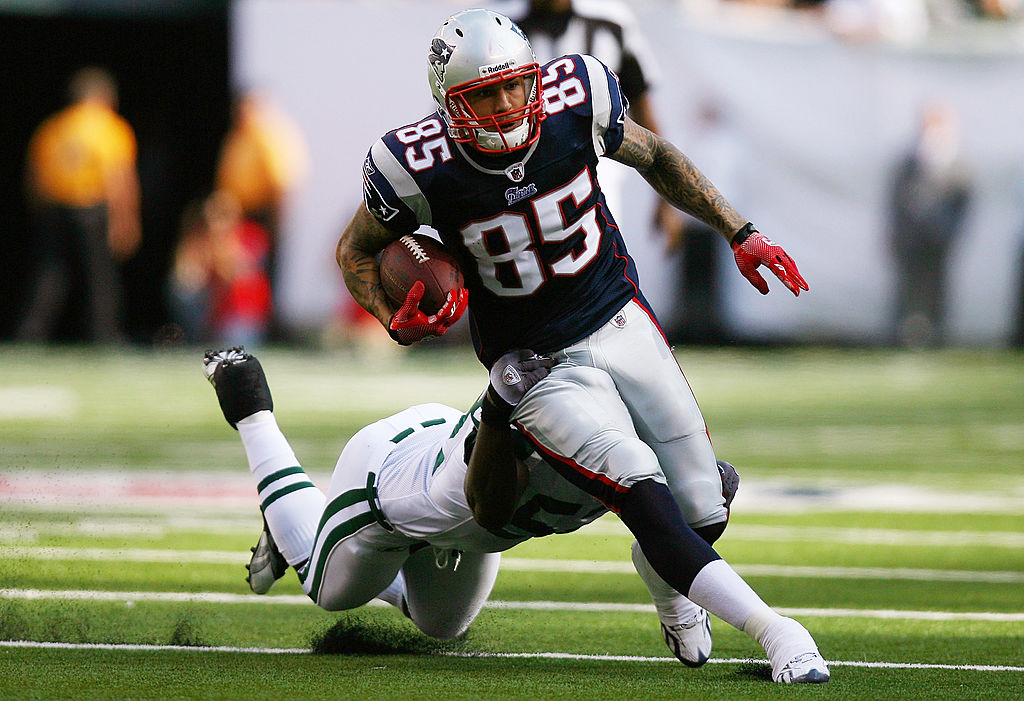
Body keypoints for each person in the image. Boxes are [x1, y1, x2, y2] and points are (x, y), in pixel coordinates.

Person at [336, 8, 813, 679]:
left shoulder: (577, 94)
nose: (506, 105)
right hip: (534, 362)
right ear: (449, 103)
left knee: (702, 505)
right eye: (484, 95)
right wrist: (391, 314)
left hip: (618, 312)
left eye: (514, 86)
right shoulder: (417, 163)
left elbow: (661, 156)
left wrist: (740, 231)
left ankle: (672, 589)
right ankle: (778, 632)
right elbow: (356, 251)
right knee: (640, 488)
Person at [203, 345, 829, 682]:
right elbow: (492, 503)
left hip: (469, 528)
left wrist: (675, 599)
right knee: (327, 588)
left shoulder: (619, 431)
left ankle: (375, 560)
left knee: (442, 629)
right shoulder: (533, 434)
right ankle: (252, 409)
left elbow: (664, 532)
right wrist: (502, 414)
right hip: (386, 485)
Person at [515, 0, 688, 263]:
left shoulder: (611, 20)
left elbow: (642, 110)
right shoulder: (495, 21)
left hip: (597, 174)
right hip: (515, 180)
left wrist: (666, 199)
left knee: (602, 272)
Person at [17, 66, 141, 344]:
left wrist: (39, 211)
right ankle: (104, 334)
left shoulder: (52, 127)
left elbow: (33, 176)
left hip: (53, 209)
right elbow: (120, 178)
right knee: (100, 274)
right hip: (92, 209)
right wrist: (125, 220)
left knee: (50, 273)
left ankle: (31, 331)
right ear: (104, 96)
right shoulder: (110, 126)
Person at [887, 100, 971, 348]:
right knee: (908, 289)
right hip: (912, 239)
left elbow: (963, 201)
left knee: (938, 289)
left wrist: (947, 229)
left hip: (941, 239)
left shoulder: (958, 163)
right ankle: (902, 338)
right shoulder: (909, 161)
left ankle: (937, 338)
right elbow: (898, 199)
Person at [166, 191, 273, 347]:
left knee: (237, 345)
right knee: (183, 290)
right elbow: (183, 278)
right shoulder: (199, 242)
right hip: (212, 316)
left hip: (241, 315)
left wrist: (223, 256)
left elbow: (241, 279)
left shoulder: (252, 236)